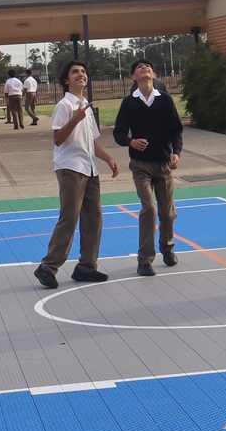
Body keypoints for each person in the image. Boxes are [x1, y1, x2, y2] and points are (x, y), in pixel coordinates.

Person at [33, 59, 117, 290]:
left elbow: (90, 142)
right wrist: (75, 119)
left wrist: (108, 158)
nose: (80, 74)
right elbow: (58, 139)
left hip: (89, 168)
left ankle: (86, 267)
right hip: (70, 168)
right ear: (66, 80)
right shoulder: (65, 106)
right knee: (69, 217)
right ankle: (48, 267)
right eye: (75, 72)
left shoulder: (86, 108)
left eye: (83, 71)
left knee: (94, 219)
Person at [113, 59, 182, 276]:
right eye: (140, 68)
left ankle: (167, 247)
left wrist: (176, 153)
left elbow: (175, 131)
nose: (145, 69)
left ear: (153, 74)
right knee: (149, 210)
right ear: (133, 77)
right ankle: (144, 260)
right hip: (140, 165)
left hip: (162, 164)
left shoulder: (165, 101)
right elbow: (119, 133)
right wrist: (130, 141)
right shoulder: (129, 103)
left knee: (168, 213)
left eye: (148, 67)